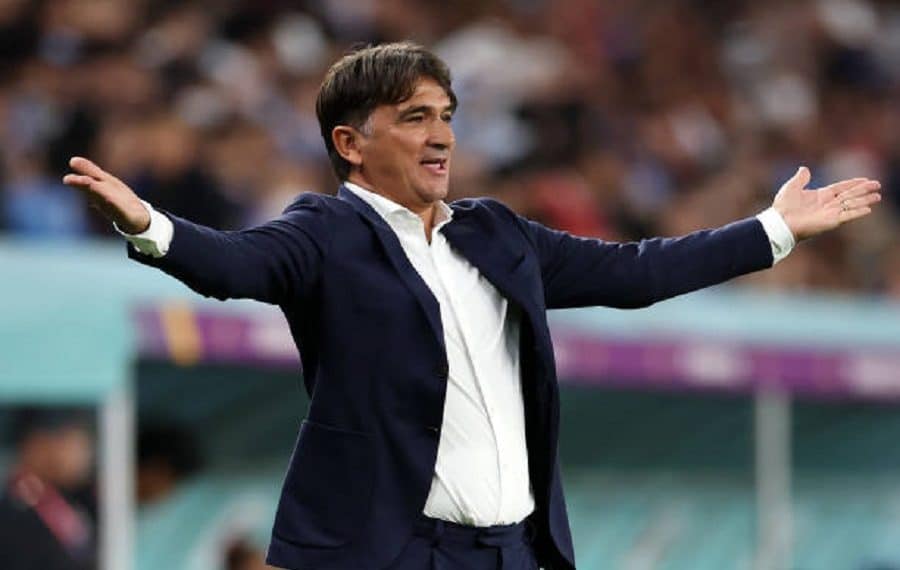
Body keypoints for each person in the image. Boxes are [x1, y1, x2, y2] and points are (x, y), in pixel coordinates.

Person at [62, 42, 881, 570]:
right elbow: (233, 266)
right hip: (387, 551)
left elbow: (636, 272)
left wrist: (773, 230)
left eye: (448, 117)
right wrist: (150, 226)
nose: (442, 135)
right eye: (415, 118)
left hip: (512, 553)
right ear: (350, 143)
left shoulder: (499, 233)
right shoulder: (324, 233)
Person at [0, 407, 96, 570]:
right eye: (75, 442)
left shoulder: (68, 499)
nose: (86, 454)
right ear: (40, 444)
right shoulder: (11, 510)